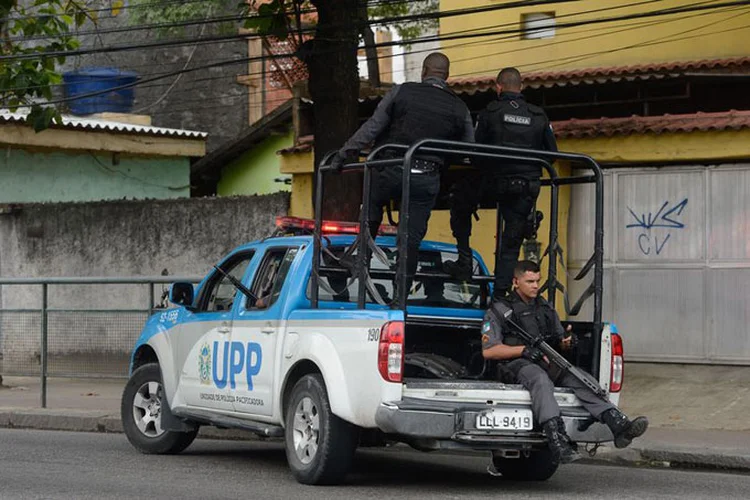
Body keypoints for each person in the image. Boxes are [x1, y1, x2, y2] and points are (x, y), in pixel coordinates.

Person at [331, 52, 474, 306]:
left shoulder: (402, 92)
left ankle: (361, 256)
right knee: (411, 239)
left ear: (423, 71)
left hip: (391, 169)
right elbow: (468, 152)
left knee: (373, 198)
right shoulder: (459, 107)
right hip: (427, 177)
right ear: (447, 76)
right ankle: (400, 298)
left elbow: (373, 127)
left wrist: (344, 154)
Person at [482, 260, 649, 463]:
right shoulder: (500, 311)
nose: (535, 285)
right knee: (540, 380)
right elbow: (489, 351)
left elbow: (560, 340)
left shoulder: (544, 307)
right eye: (530, 281)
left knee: (580, 379)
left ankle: (618, 425)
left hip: (546, 360)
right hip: (516, 364)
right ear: (516, 282)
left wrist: (567, 342)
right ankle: (557, 439)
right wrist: (523, 350)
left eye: (537, 280)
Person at [446, 67, 557, 299]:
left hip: (495, 183)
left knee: (460, 199)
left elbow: (476, 152)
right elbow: (551, 154)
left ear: (498, 87)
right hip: (526, 187)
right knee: (511, 243)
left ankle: (464, 259)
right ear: (522, 86)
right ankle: (500, 295)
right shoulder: (538, 115)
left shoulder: (490, 112)